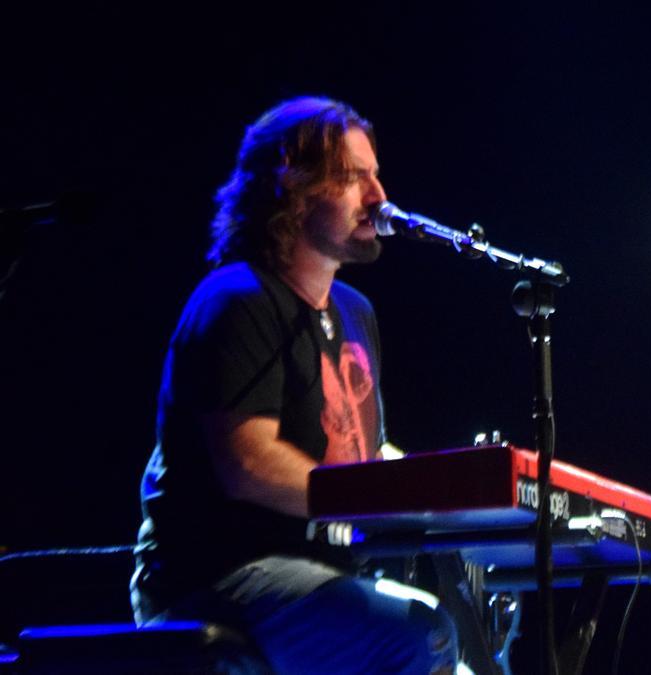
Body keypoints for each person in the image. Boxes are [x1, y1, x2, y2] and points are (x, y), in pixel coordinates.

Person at [130, 97, 459, 674]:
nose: (380, 196)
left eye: (376, 175)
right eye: (356, 178)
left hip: (323, 576)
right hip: (220, 576)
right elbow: (249, 463)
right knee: (420, 632)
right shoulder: (237, 300)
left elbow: (361, 453)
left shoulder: (357, 313)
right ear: (294, 185)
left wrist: (457, 486)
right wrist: (389, 497)